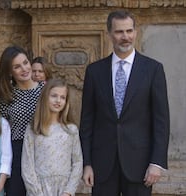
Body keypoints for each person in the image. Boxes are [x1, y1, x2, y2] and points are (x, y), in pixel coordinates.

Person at [79, 10, 170, 196]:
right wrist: (86, 163)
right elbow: (87, 121)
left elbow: (161, 121)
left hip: (140, 166)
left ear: (135, 32)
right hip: (102, 165)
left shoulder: (153, 69)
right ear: (110, 34)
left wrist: (156, 162)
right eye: (119, 32)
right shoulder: (94, 71)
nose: (125, 37)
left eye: (129, 31)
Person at [0, 46, 44, 195]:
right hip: (18, 150)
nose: (24, 69)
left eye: (25, 62)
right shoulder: (6, 97)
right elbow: (1, 129)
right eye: (17, 66)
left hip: (43, 149)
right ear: (10, 72)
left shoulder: (46, 91)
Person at [22, 78, 82, 196]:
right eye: (54, 96)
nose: (58, 100)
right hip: (39, 190)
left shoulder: (71, 130)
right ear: (45, 97)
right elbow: (27, 164)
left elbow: (78, 162)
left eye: (62, 97)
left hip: (63, 189)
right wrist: (37, 192)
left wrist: (68, 191)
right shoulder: (34, 129)